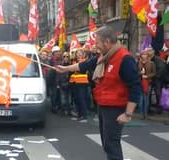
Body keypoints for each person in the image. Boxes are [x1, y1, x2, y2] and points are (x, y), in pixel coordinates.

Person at [56, 26, 141, 160]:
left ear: (107, 42)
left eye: (97, 43)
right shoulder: (103, 56)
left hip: (115, 108)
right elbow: (84, 65)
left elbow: (135, 87)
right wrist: (65, 68)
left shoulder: (124, 58)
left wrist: (128, 114)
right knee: (107, 143)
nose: (95, 46)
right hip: (103, 105)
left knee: (112, 144)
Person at [137, 48, 156, 119]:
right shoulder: (138, 63)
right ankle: (141, 113)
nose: (144, 56)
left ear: (147, 56)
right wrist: (140, 73)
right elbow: (135, 72)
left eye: (145, 54)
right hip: (140, 82)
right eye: (142, 54)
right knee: (140, 99)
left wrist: (147, 76)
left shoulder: (151, 63)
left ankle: (145, 114)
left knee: (146, 99)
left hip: (148, 82)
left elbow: (154, 73)